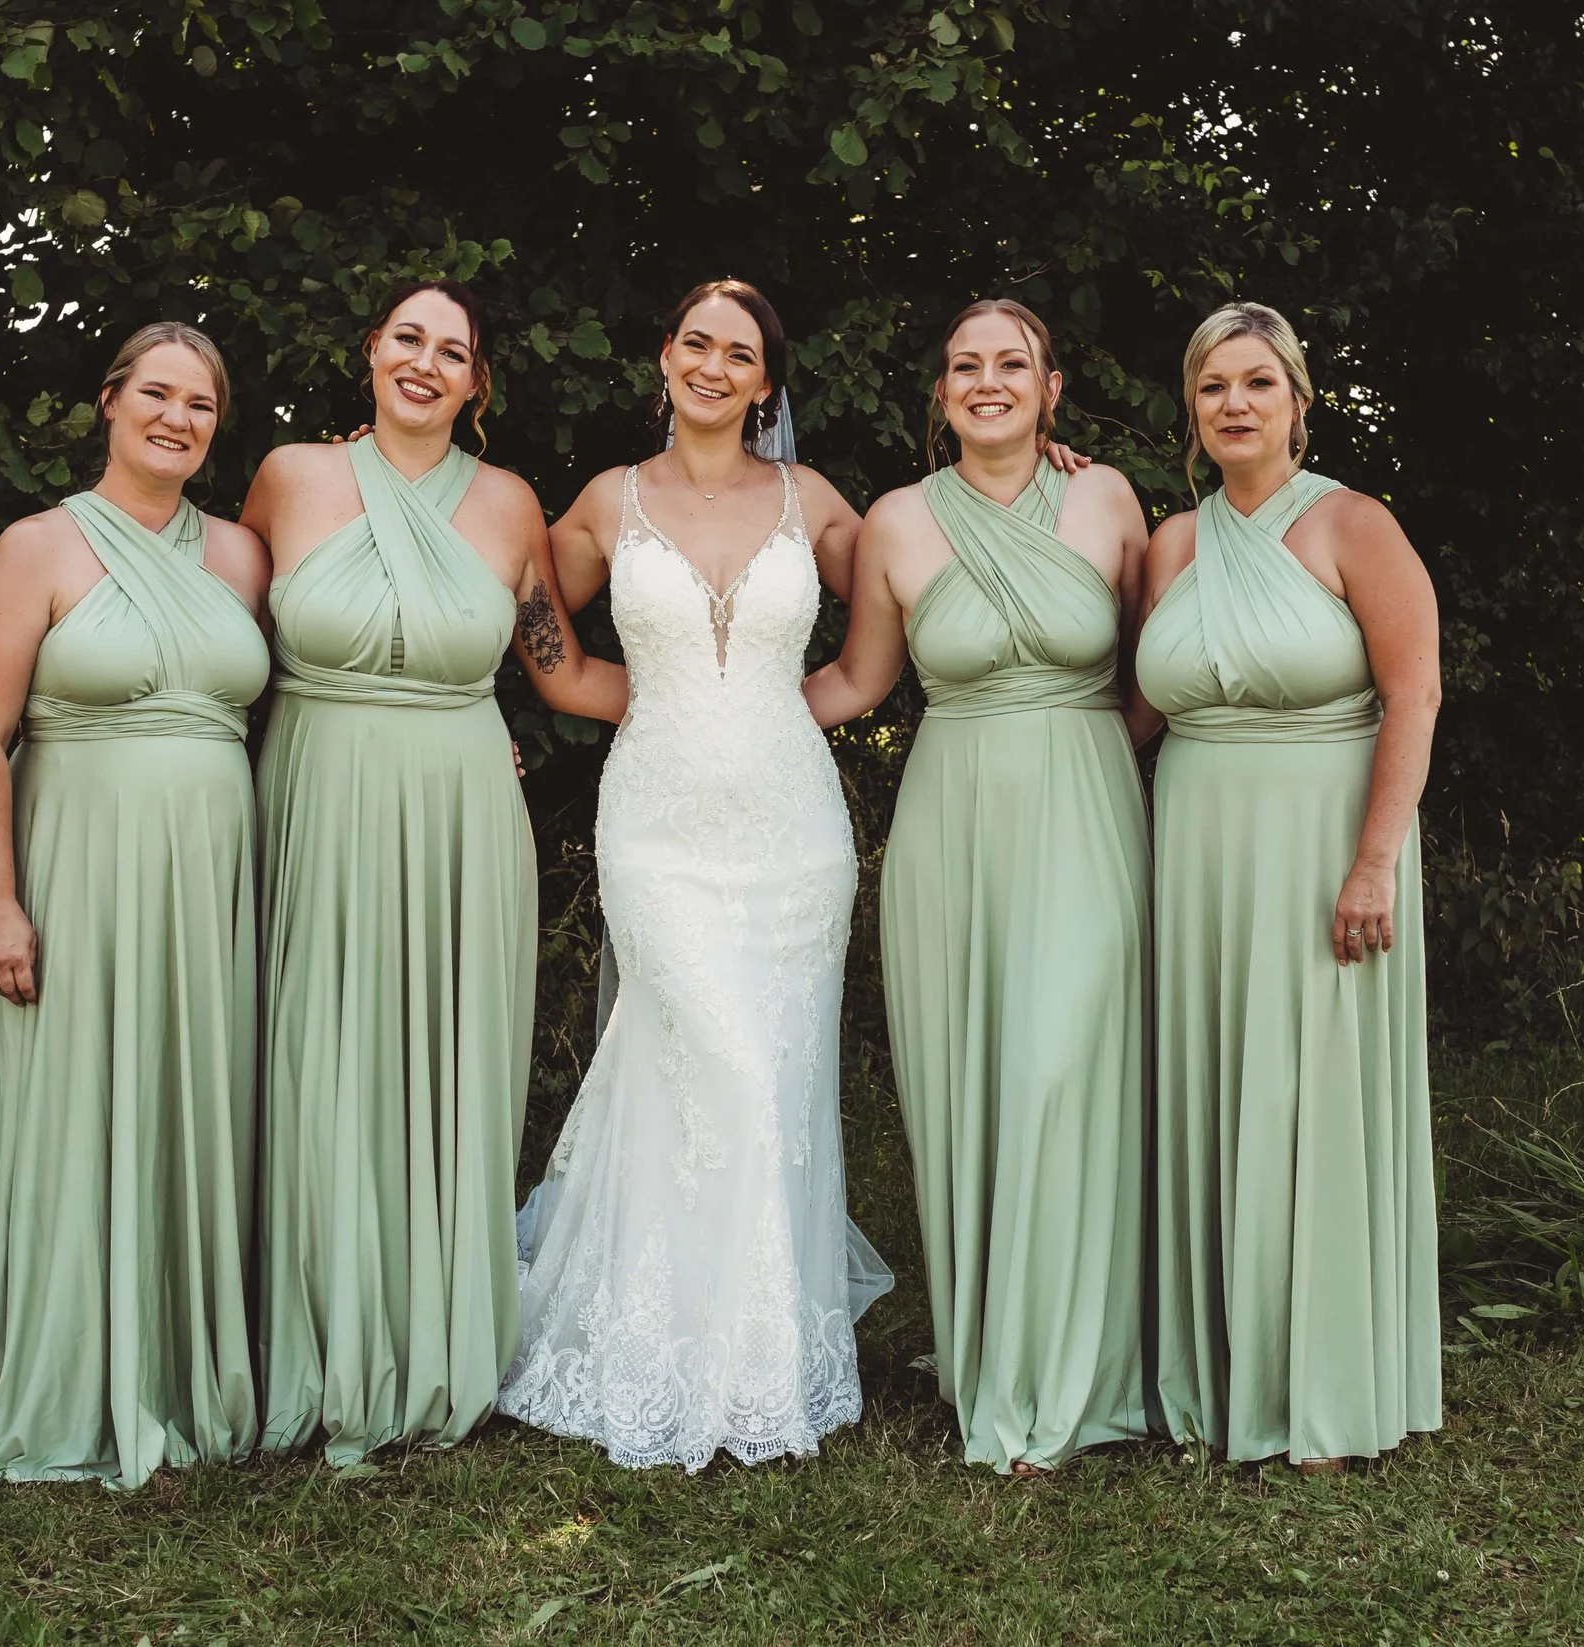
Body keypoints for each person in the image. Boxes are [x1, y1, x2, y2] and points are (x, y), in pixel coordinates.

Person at [496, 279, 893, 1471]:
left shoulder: (815, 503)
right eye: (695, 344)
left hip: (791, 834)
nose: (715, 366)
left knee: (764, 1083)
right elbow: (550, 648)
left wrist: (1049, 465)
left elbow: (868, 667)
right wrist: (669, 706)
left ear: (766, 382)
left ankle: (754, 1366)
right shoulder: (606, 502)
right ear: (663, 358)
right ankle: (663, 1353)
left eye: (741, 353)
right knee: (703, 1056)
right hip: (657, 827)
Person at [240, 280, 627, 1467]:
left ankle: (437, 1342)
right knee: (322, 1058)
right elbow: (217, 643)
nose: (424, 362)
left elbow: (560, 672)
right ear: (370, 352)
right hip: (317, 790)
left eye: (450, 351)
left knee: (449, 1064)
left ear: (477, 385)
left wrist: (732, 707)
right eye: (406, 338)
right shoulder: (289, 477)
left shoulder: (510, 505)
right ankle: (317, 1345)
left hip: (462, 808)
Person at [0, 322, 270, 1487]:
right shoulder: (39, 547)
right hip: (80, 864)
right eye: (156, 395)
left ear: (217, 430)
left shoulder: (243, 557)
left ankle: (176, 1369)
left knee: (194, 1099)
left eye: (200, 405)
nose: (177, 418)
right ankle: (64, 1375)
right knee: (78, 1101)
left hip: (212, 873)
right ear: (109, 404)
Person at [804, 299, 1154, 1474]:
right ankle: (992, 1354)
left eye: (1013, 365)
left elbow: (1159, 665)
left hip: (1084, 801)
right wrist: (699, 723)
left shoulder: (1107, 499)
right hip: (950, 816)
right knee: (970, 1083)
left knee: (1064, 1067)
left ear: (1052, 391)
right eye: (966, 365)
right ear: (940, 392)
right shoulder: (897, 521)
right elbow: (856, 682)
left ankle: (1068, 1373)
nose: (989, 381)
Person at [1131, 300, 1443, 1471]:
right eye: (1213, 387)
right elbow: (1133, 707)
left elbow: (1412, 697)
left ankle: (1322, 1388)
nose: (1235, 405)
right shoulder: (1172, 542)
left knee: (1306, 1099)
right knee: (1219, 1090)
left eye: (1257, 383)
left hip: (1324, 842)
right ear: (1193, 408)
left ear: (1298, 402)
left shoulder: (1353, 525)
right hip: (1197, 846)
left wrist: (1373, 860)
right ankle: (1219, 1377)